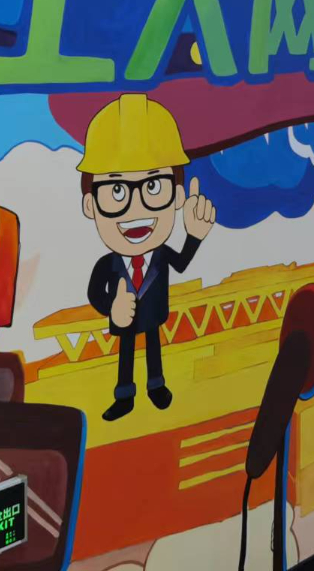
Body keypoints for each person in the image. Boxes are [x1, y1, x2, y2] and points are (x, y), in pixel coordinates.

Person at [80, 94, 216, 421]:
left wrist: (194, 236)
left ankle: (157, 386)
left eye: (154, 186)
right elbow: (95, 292)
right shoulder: (108, 264)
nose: (136, 208)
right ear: (90, 204)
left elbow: (181, 263)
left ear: (177, 196)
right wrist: (110, 307)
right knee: (126, 353)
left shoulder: (161, 254)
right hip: (124, 318)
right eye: (116, 191)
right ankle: (124, 395)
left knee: (153, 347)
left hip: (153, 314)